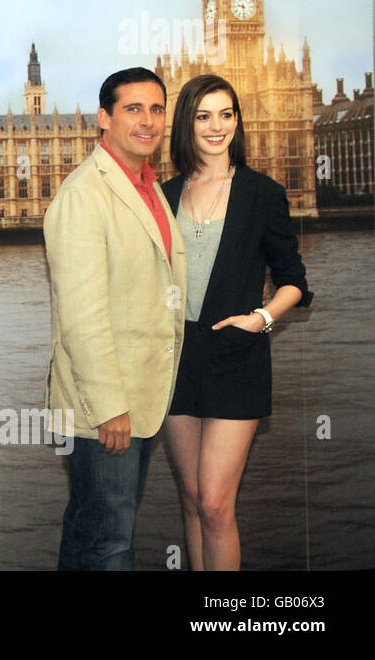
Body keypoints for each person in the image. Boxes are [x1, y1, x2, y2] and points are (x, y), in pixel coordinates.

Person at [159, 73, 312, 571]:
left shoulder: (261, 193)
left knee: (215, 504)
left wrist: (261, 319)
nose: (216, 126)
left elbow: (294, 280)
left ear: (238, 121)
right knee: (190, 499)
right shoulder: (165, 195)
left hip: (236, 358)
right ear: (187, 123)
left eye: (227, 114)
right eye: (204, 115)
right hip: (176, 360)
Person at [44, 67, 187, 570]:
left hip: (140, 396)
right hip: (104, 409)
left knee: (91, 531)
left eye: (156, 109)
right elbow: (81, 317)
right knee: (111, 543)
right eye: (133, 109)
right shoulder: (85, 195)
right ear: (103, 119)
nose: (147, 121)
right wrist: (110, 408)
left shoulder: (151, 188)